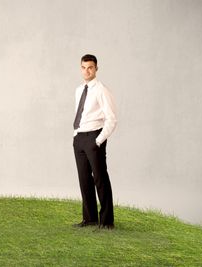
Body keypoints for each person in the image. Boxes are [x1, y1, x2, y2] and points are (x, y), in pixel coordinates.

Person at [72, 54, 117, 229]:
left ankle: (107, 221)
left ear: (96, 68)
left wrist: (98, 140)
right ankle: (89, 218)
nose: (86, 71)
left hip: (94, 137)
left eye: (90, 67)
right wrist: (76, 135)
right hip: (80, 138)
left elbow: (111, 119)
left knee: (100, 179)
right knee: (84, 180)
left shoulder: (101, 90)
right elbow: (80, 114)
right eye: (83, 67)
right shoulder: (78, 90)